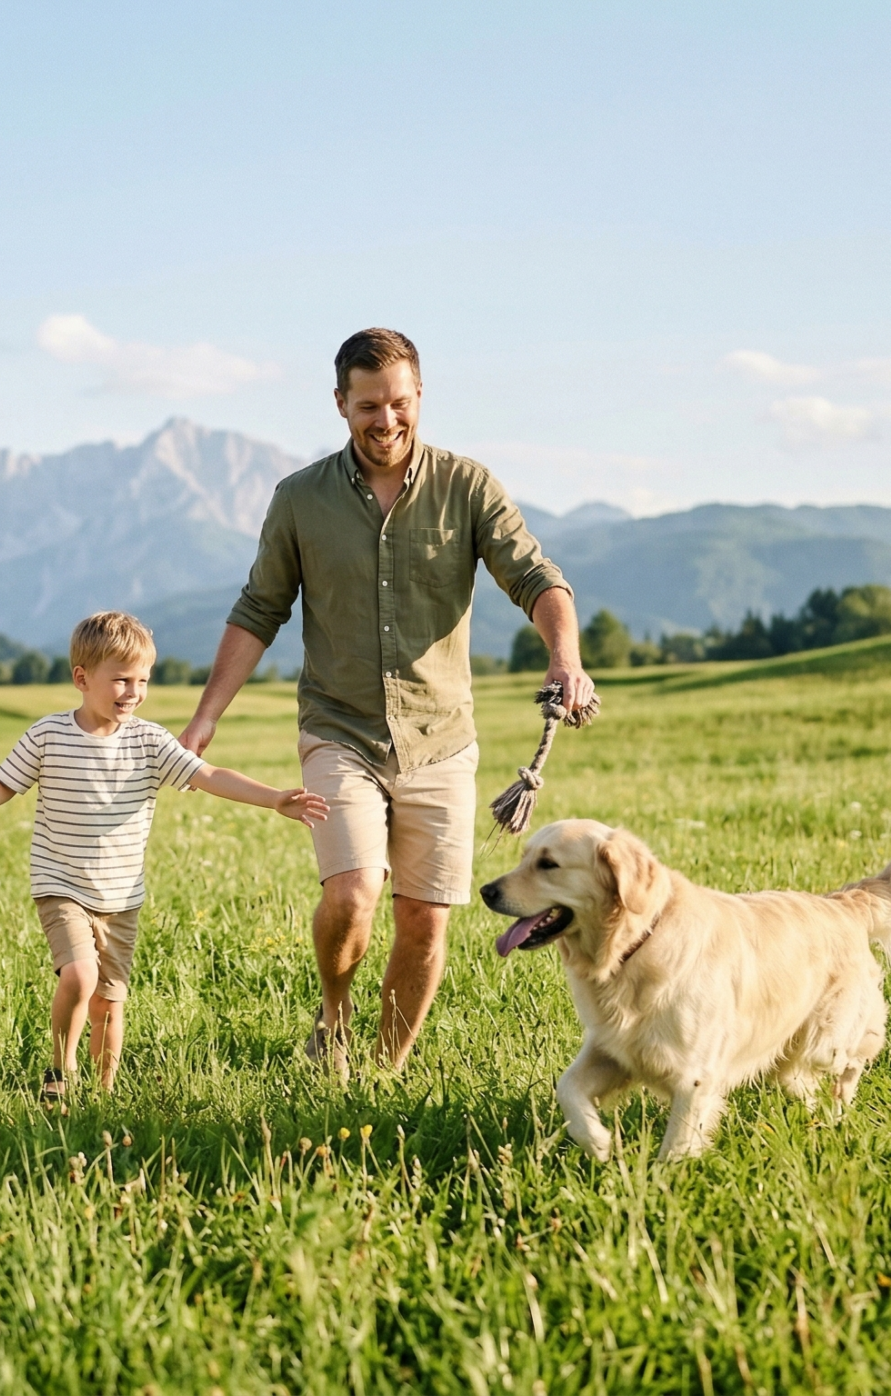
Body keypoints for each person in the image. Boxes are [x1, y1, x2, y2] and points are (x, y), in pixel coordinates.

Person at [179, 328, 594, 1079]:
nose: (386, 420)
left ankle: (382, 1075)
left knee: (425, 920)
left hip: (441, 740)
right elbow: (258, 609)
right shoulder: (299, 500)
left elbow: (537, 577)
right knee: (352, 893)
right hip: (341, 731)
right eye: (368, 405)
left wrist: (564, 656)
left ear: (419, 396)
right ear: (340, 403)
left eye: (399, 402)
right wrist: (207, 715)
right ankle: (334, 1016)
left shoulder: (467, 488)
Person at [0, 612, 328, 1098]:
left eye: (142, 680)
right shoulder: (48, 735)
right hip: (61, 885)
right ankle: (59, 1074)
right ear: (82, 679)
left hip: (122, 894)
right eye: (121, 679)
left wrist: (274, 797)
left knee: (110, 1001)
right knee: (80, 974)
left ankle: (104, 1093)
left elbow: (208, 776)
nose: (133, 691)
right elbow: (4, 782)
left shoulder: (150, 741)